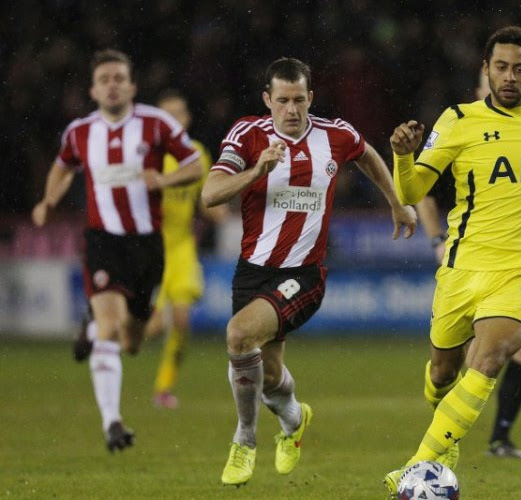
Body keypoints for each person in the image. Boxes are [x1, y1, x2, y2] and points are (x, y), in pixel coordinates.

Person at [384, 26, 521, 495]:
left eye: (519, 68)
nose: (510, 76)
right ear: (486, 69)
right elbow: (411, 191)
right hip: (462, 269)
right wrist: (402, 156)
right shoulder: (458, 120)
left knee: (492, 357)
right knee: (442, 372)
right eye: (501, 67)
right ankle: (446, 436)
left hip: (519, 271)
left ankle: (416, 465)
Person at [201, 57, 417, 487]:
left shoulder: (334, 134)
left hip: (305, 274)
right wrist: (257, 170)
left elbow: (368, 154)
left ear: (311, 98)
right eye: (283, 100)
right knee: (269, 375)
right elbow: (210, 193)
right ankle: (295, 419)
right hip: (253, 271)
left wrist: (394, 201)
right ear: (268, 100)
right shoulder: (247, 135)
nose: (292, 109)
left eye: (300, 99)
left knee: (239, 335)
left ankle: (244, 439)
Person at [31, 49, 203, 452]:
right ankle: (113, 422)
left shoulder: (156, 125)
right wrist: (48, 200)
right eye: (104, 78)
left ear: (132, 86)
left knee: (133, 343)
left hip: (147, 246)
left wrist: (162, 181)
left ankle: (92, 327)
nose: (111, 84)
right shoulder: (80, 132)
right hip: (102, 241)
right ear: (93, 89)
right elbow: (62, 165)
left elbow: (195, 165)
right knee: (112, 325)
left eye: (118, 78)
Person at [143, 90, 229, 409]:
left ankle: (163, 388)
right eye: (166, 115)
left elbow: (204, 202)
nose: (173, 120)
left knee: (181, 322)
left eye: (178, 114)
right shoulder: (146, 156)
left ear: (187, 118)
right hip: (150, 248)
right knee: (152, 329)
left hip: (181, 247)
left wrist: (218, 211)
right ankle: (110, 343)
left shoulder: (198, 155)